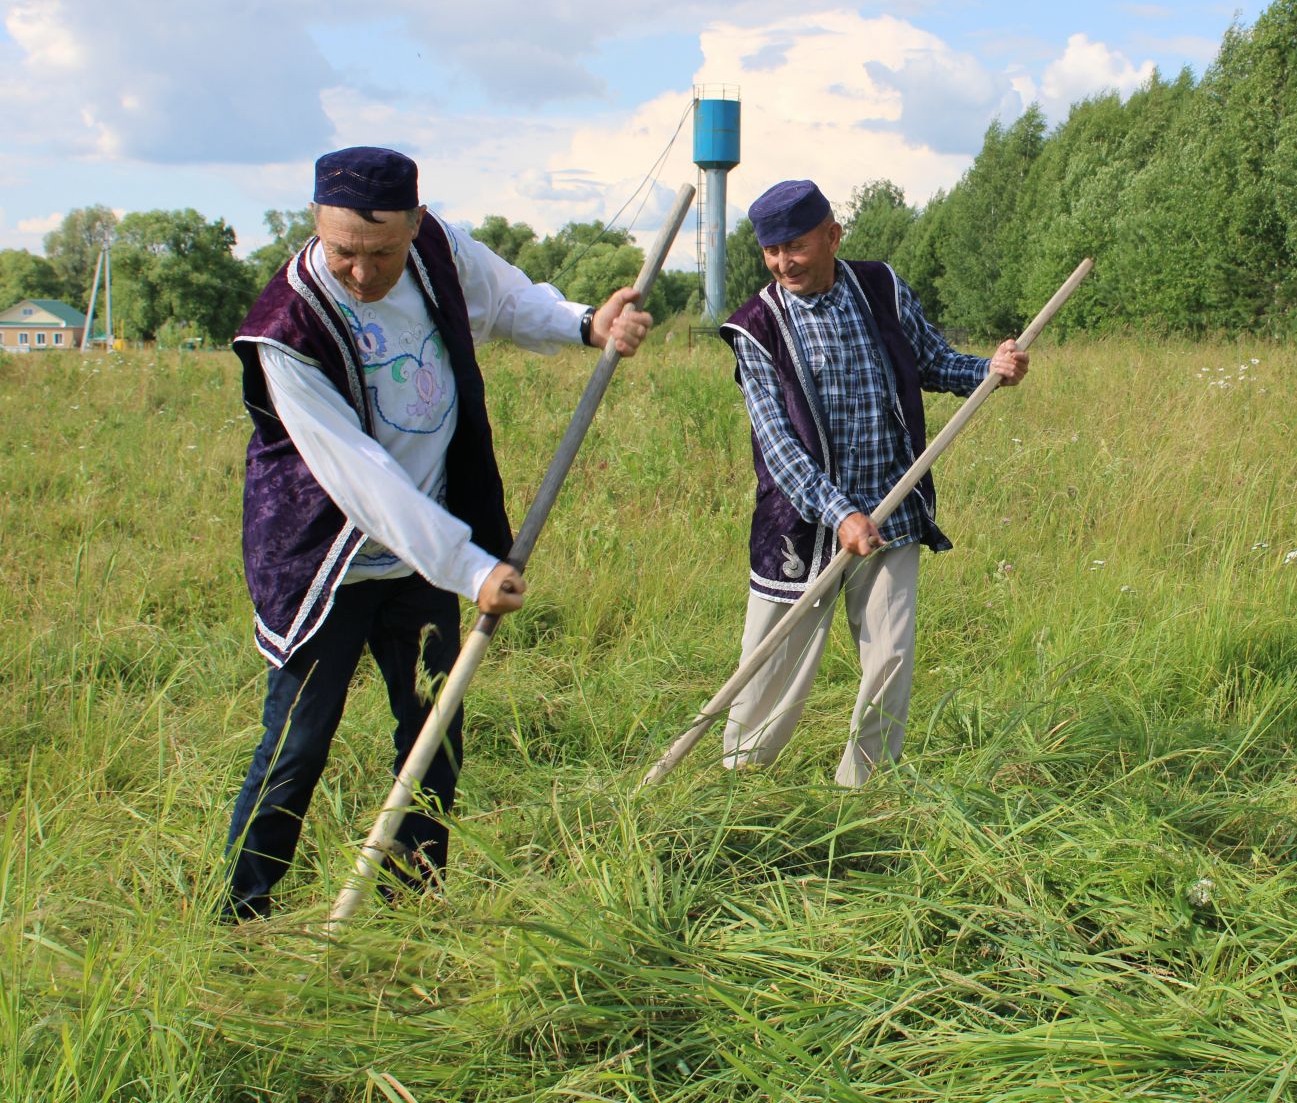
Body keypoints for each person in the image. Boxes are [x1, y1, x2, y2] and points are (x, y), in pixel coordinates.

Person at [222, 146, 652, 919]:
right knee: (297, 747)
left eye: (380, 253)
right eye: (343, 250)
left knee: (434, 732)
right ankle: (242, 916)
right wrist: (467, 563)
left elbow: (506, 301)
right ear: (316, 224)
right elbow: (361, 479)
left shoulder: (436, 249)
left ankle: (413, 907)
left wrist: (586, 324)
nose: (360, 272)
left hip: (425, 564)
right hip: (330, 560)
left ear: (416, 223)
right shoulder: (286, 328)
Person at [718, 179, 1028, 786]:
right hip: (803, 529)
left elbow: (934, 361)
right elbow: (779, 448)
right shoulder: (755, 327)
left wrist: (990, 371)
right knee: (773, 671)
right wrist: (839, 513)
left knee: (890, 657)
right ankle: (738, 785)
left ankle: (863, 791)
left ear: (832, 236)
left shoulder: (881, 286)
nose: (784, 263)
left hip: (892, 511)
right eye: (772, 251)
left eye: (797, 246)